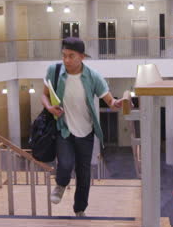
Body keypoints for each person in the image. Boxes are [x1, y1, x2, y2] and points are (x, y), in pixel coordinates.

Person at [42, 37, 125, 217]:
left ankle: (80, 209)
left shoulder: (93, 76)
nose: (66, 60)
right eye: (64, 56)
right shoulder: (54, 71)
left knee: (84, 172)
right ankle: (61, 185)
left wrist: (118, 103)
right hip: (63, 128)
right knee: (65, 162)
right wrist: (49, 108)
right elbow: (44, 95)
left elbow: (110, 101)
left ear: (82, 57)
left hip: (86, 132)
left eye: (71, 56)